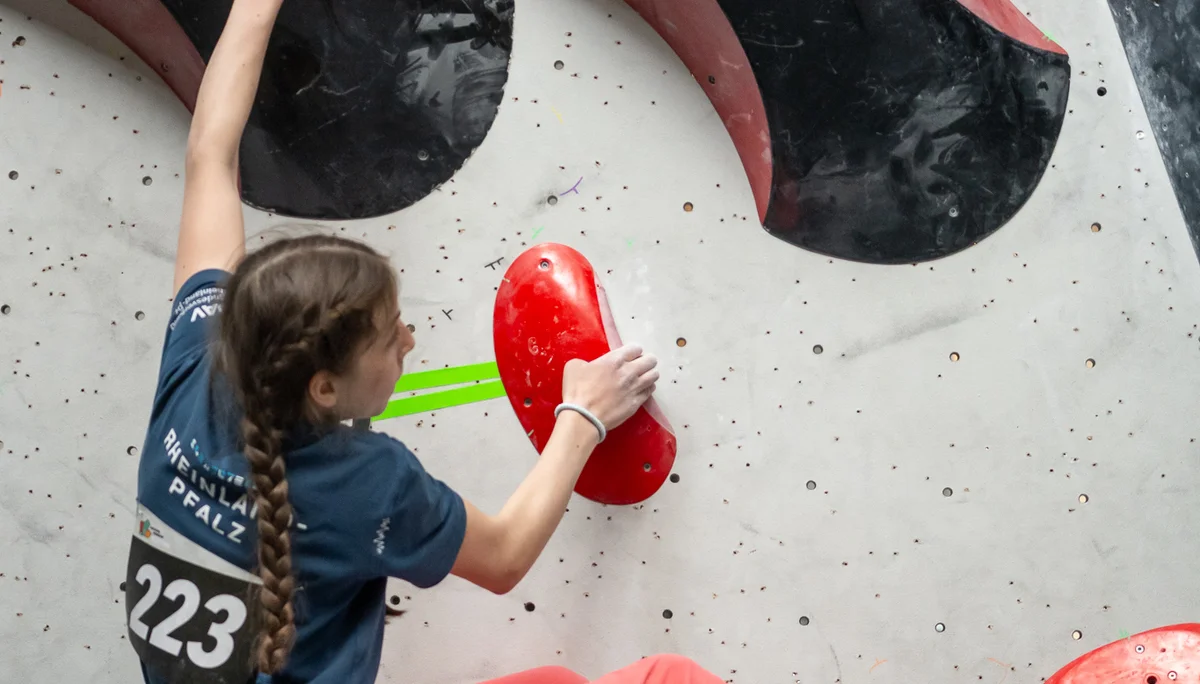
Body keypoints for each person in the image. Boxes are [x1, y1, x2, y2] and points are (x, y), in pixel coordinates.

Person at [123, 1, 725, 683]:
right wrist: (582, 417)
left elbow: (210, 154)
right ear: (324, 388)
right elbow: (501, 558)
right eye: (388, 338)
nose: (410, 338)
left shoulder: (201, 359)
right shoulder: (364, 481)